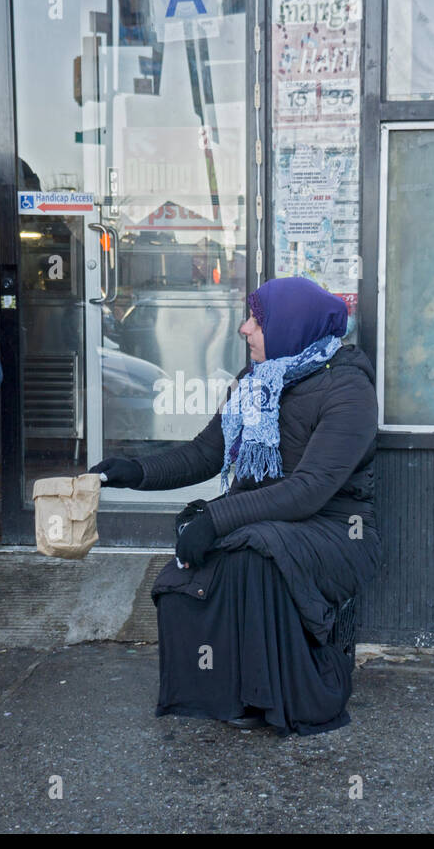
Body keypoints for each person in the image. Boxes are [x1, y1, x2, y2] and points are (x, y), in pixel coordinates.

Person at [90, 276, 379, 735]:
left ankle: (280, 696)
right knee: (196, 569)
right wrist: (133, 472)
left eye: (256, 320)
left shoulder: (348, 390)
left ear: (292, 326)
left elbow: (310, 489)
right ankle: (223, 692)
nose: (243, 329)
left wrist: (216, 515)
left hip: (337, 529)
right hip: (266, 517)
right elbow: (205, 453)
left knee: (254, 554)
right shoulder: (253, 383)